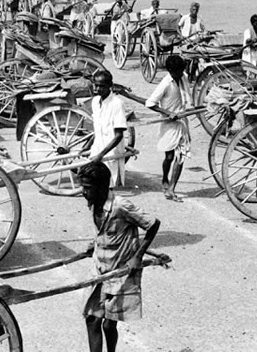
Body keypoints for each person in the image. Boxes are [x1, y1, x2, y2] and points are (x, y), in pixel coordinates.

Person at [78, 161, 160, 352]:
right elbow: (104, 231)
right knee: (92, 319)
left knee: (109, 324)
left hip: (120, 271)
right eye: (83, 187)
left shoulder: (120, 205)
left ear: (102, 188)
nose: (83, 192)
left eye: (88, 188)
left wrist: (137, 257)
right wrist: (95, 243)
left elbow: (153, 224)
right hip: (99, 267)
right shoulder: (93, 203)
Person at [145, 54, 192, 202]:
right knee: (169, 157)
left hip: (182, 121)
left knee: (181, 156)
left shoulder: (183, 77)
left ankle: (172, 188)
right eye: (177, 71)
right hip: (168, 123)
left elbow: (187, 97)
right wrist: (168, 113)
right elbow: (150, 103)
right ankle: (165, 178)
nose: (180, 74)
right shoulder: (165, 83)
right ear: (171, 71)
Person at [85, 70, 128, 188]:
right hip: (97, 147)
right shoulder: (95, 101)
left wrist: (101, 155)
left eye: (102, 86)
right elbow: (98, 127)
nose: (98, 89)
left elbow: (119, 135)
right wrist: (88, 145)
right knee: (94, 183)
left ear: (110, 86)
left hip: (110, 151)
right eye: (96, 85)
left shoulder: (117, 104)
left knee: (108, 185)